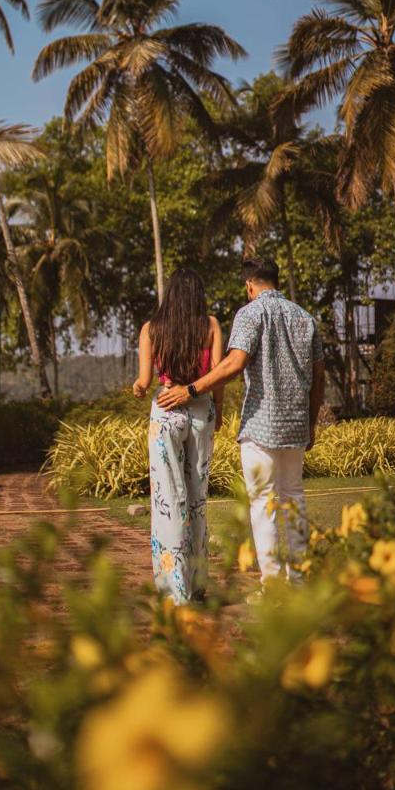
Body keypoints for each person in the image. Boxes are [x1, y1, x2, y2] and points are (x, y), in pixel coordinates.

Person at [158, 256, 325, 585]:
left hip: (261, 423)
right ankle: (299, 578)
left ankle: (273, 584)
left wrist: (190, 390)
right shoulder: (305, 318)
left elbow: (234, 364)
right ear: (275, 280)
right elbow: (318, 376)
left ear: (250, 285)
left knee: (262, 502)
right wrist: (311, 421)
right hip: (295, 423)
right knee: (293, 496)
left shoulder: (250, 313)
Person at [133, 267, 224, 603]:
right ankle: (198, 583)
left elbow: (144, 381)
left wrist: (140, 388)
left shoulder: (151, 329)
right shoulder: (211, 325)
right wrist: (220, 412)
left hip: (166, 410)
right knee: (197, 498)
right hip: (200, 410)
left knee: (169, 499)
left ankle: (175, 590)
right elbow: (217, 377)